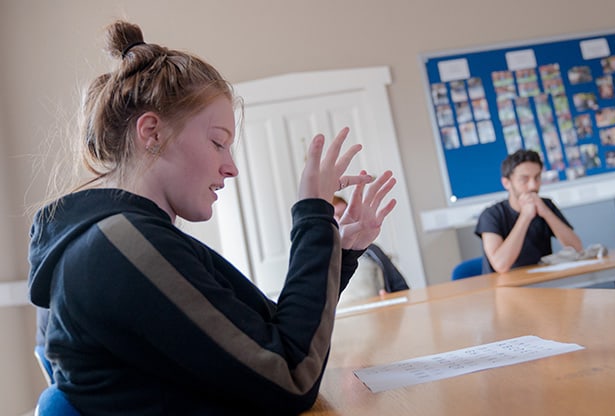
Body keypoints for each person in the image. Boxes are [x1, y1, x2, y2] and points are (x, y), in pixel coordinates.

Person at [28, 20, 397, 415]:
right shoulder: (117, 246)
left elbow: (264, 335)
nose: (231, 167)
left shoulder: (124, 238)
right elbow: (291, 375)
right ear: (151, 132)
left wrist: (337, 251)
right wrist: (313, 214)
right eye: (218, 142)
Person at [474, 149, 582, 274]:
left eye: (537, 178)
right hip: (505, 290)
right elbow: (501, 265)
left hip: (542, 284)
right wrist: (525, 217)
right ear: (506, 183)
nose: (533, 186)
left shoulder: (545, 205)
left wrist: (546, 213)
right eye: (524, 180)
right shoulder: (491, 215)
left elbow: (577, 249)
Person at [332, 195, 409, 295]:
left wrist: (389, 298)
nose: (339, 221)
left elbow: (401, 287)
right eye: (333, 216)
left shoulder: (371, 251)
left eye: (343, 215)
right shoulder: (316, 257)